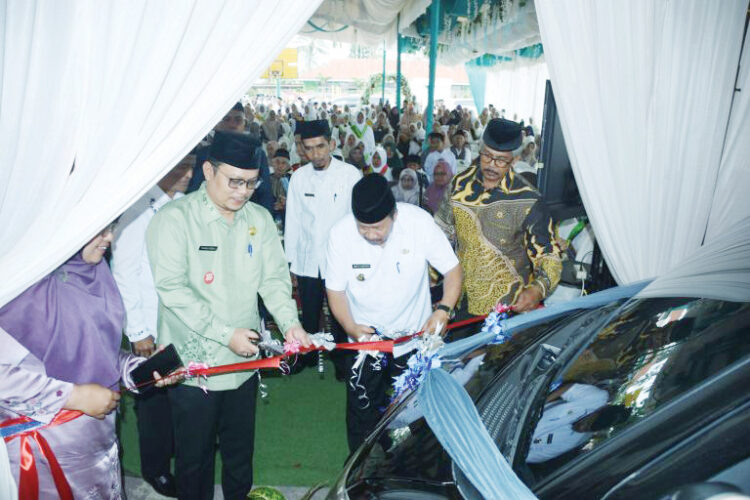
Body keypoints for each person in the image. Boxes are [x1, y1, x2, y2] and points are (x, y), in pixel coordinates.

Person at [147, 131, 311, 499]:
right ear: (208, 170)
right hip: (195, 368)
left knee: (239, 457)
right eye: (234, 181)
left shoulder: (260, 219)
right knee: (194, 462)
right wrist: (226, 334)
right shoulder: (174, 220)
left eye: (252, 183)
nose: (242, 191)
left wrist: (291, 324)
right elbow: (173, 290)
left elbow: (273, 280)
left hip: (243, 365)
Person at [0, 225, 177, 498]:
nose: (109, 238)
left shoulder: (95, 272)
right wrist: (72, 395)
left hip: (99, 440)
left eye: (112, 228)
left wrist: (140, 370)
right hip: (46, 452)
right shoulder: (24, 287)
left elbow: (99, 352)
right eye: (99, 230)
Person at [325, 174, 462, 452]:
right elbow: (335, 292)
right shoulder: (340, 235)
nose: (370, 234)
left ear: (394, 215)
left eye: (377, 227)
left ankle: (409, 469)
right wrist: (350, 326)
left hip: (414, 337)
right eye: (363, 228)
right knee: (362, 411)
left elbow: (452, 269)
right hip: (366, 342)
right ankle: (361, 471)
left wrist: (444, 309)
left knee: (415, 409)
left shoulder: (419, 223)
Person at [110, 155, 195, 497]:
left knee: (180, 391)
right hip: (148, 322)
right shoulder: (137, 208)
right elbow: (123, 271)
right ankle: (155, 468)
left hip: (181, 320)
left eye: (191, 166)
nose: (188, 175)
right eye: (180, 167)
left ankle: (174, 452)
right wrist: (138, 330)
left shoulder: (187, 203)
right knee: (153, 402)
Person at [435, 118, 562, 319]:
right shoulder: (459, 184)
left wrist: (538, 288)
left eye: (501, 160)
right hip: (458, 301)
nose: (492, 165)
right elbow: (440, 235)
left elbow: (548, 254)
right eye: (487, 156)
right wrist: (430, 283)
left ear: (515, 159)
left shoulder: (528, 199)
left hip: (507, 308)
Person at [284, 120, 361, 371]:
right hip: (308, 259)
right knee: (308, 311)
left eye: (320, 146)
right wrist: (290, 263)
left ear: (332, 144)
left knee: (340, 314)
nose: (315, 154)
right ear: (302, 150)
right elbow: (292, 221)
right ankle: (304, 356)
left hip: (339, 258)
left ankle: (341, 360)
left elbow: (356, 219)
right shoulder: (298, 177)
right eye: (309, 148)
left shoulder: (350, 175)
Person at [269, 148, 292, 227]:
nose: (280, 166)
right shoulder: (266, 180)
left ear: (288, 166)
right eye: (277, 162)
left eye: (284, 163)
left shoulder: (293, 180)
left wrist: (287, 204)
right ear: (272, 163)